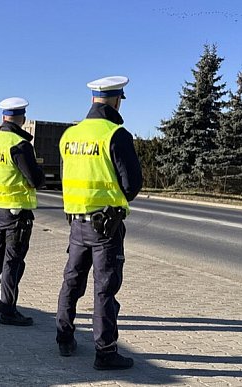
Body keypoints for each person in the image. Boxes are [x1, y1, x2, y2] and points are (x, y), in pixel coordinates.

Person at [55, 76, 143, 370]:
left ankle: (64, 338)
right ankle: (105, 352)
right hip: (106, 226)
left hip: (76, 224)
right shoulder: (116, 134)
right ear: (117, 100)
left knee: (72, 282)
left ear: (93, 99)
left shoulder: (69, 135)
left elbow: (66, 177)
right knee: (104, 288)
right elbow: (132, 184)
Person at [0, 97, 45, 326]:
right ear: (22, 118)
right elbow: (35, 179)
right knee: (13, 261)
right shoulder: (20, 145)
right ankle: (8, 311)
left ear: (3, 117)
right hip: (16, 212)